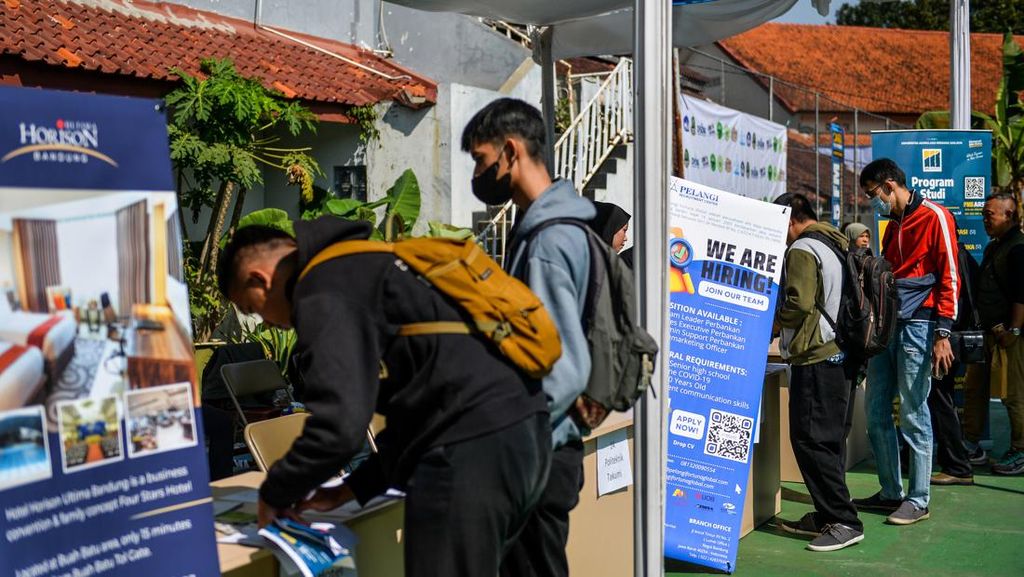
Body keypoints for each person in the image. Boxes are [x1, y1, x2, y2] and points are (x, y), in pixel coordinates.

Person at [216, 218, 552, 576]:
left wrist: (276, 491)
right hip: (524, 431)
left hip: (469, 452)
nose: (267, 323)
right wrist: (351, 488)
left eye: (251, 309)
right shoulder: (363, 261)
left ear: (259, 279)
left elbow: (340, 426)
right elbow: (422, 408)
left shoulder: (320, 288)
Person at [462, 97, 594, 577]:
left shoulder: (546, 243)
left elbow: (564, 366)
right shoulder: (551, 229)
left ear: (511, 151)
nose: (477, 174)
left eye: (481, 160)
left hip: (538, 453)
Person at [853, 158, 959, 525]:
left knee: (915, 411)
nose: (872, 202)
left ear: (889, 185)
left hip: (921, 325)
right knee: (877, 409)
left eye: (872, 194)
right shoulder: (892, 225)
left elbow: (951, 276)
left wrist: (943, 332)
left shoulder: (936, 216)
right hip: (890, 325)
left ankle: (919, 498)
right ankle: (890, 492)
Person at [772, 193, 864, 552]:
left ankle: (844, 521)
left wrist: (772, 321)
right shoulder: (835, 242)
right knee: (828, 440)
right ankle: (828, 514)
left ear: (790, 219)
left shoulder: (802, 250)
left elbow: (799, 303)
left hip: (816, 356)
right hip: (841, 353)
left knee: (810, 440)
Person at [962, 193, 1024, 476]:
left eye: (990, 214)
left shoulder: (1018, 249)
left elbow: (1022, 295)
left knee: (1014, 395)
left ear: (1009, 215)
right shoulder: (993, 248)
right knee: (974, 389)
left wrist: (1013, 330)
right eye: (984, 214)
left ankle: (1021, 451)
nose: (984, 219)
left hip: (1009, 338)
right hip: (987, 334)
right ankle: (971, 445)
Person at [928, 235, 981, 485]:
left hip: (948, 340)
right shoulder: (965, 257)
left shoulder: (953, 258)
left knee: (940, 398)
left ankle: (957, 465)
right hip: (954, 338)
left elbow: (953, 299)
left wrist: (943, 335)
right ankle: (955, 461)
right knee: (941, 397)